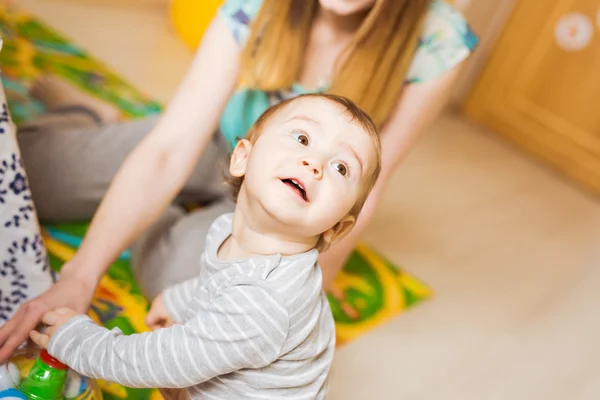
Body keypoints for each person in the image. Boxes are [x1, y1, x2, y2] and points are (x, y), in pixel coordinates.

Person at [0, 0, 478, 361]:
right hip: (212, 144)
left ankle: (149, 207)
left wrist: (310, 288)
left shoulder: (439, 46)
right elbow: (170, 147)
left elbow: (367, 188)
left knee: (202, 308)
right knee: (24, 177)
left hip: (276, 208)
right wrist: (80, 277)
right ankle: (89, 115)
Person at [29, 93, 382, 398]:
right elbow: (219, 281)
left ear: (337, 228)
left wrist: (79, 342)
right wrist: (179, 298)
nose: (314, 164)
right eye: (302, 138)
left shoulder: (266, 303)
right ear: (242, 157)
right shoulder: (225, 228)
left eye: (341, 167)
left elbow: (161, 362)